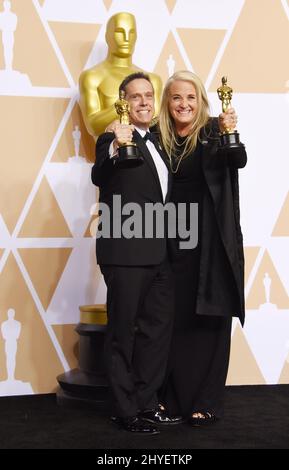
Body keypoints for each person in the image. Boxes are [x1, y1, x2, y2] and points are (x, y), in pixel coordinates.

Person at [91, 72, 182, 434]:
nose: (144, 102)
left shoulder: (160, 142)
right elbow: (100, 175)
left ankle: (146, 403)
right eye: (135, 97)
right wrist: (116, 145)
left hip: (160, 254)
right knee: (123, 333)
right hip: (125, 252)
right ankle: (123, 409)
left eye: (149, 95)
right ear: (122, 103)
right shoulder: (110, 137)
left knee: (156, 333)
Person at [158, 71, 247, 425]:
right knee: (173, 318)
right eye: (177, 98)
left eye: (191, 98)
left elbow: (237, 159)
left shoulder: (213, 130)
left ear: (201, 101)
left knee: (211, 315)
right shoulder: (158, 137)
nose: (184, 104)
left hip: (210, 241)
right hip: (171, 240)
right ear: (168, 102)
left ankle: (207, 400)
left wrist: (229, 131)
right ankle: (172, 398)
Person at [79, 12, 162, 137]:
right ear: (108, 36)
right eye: (119, 32)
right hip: (110, 152)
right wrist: (125, 105)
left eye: (131, 32)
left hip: (148, 153)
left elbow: (156, 123)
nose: (127, 38)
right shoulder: (92, 77)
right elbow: (93, 126)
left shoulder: (153, 80)